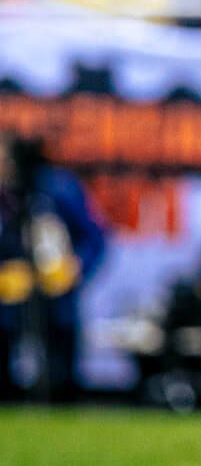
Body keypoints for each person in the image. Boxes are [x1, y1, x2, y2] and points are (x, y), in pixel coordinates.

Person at [0, 132, 107, 402]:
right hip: (8, 303)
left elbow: (95, 238)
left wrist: (75, 268)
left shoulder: (56, 187)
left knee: (61, 375)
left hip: (56, 296)